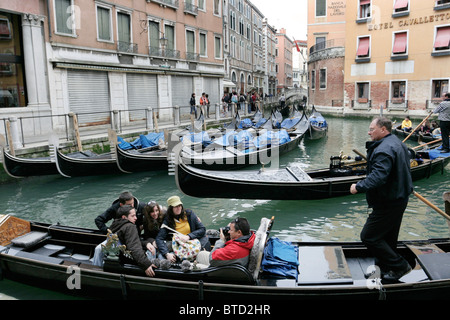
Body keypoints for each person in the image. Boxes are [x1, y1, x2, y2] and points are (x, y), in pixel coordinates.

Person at [350, 117, 413, 283]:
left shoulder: (384, 150)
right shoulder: (396, 143)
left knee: (369, 236)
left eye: (372, 129)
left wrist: (359, 186)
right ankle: (383, 268)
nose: (369, 132)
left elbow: (378, 177)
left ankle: (400, 266)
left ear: (383, 130)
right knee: (387, 238)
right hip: (399, 197)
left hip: (389, 201)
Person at [155, 196, 210, 263]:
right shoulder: (167, 220)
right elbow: (159, 238)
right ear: (171, 208)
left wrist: (188, 236)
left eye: (179, 205)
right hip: (180, 245)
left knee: (204, 245)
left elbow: (202, 229)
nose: (178, 208)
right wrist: (167, 254)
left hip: (193, 240)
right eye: (176, 206)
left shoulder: (189, 214)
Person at [110, 205, 157, 277]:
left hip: (121, 258)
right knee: (155, 250)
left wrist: (146, 243)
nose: (136, 218)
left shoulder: (115, 225)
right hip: (132, 260)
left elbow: (129, 242)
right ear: (124, 217)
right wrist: (146, 264)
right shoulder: (130, 227)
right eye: (133, 216)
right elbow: (134, 247)